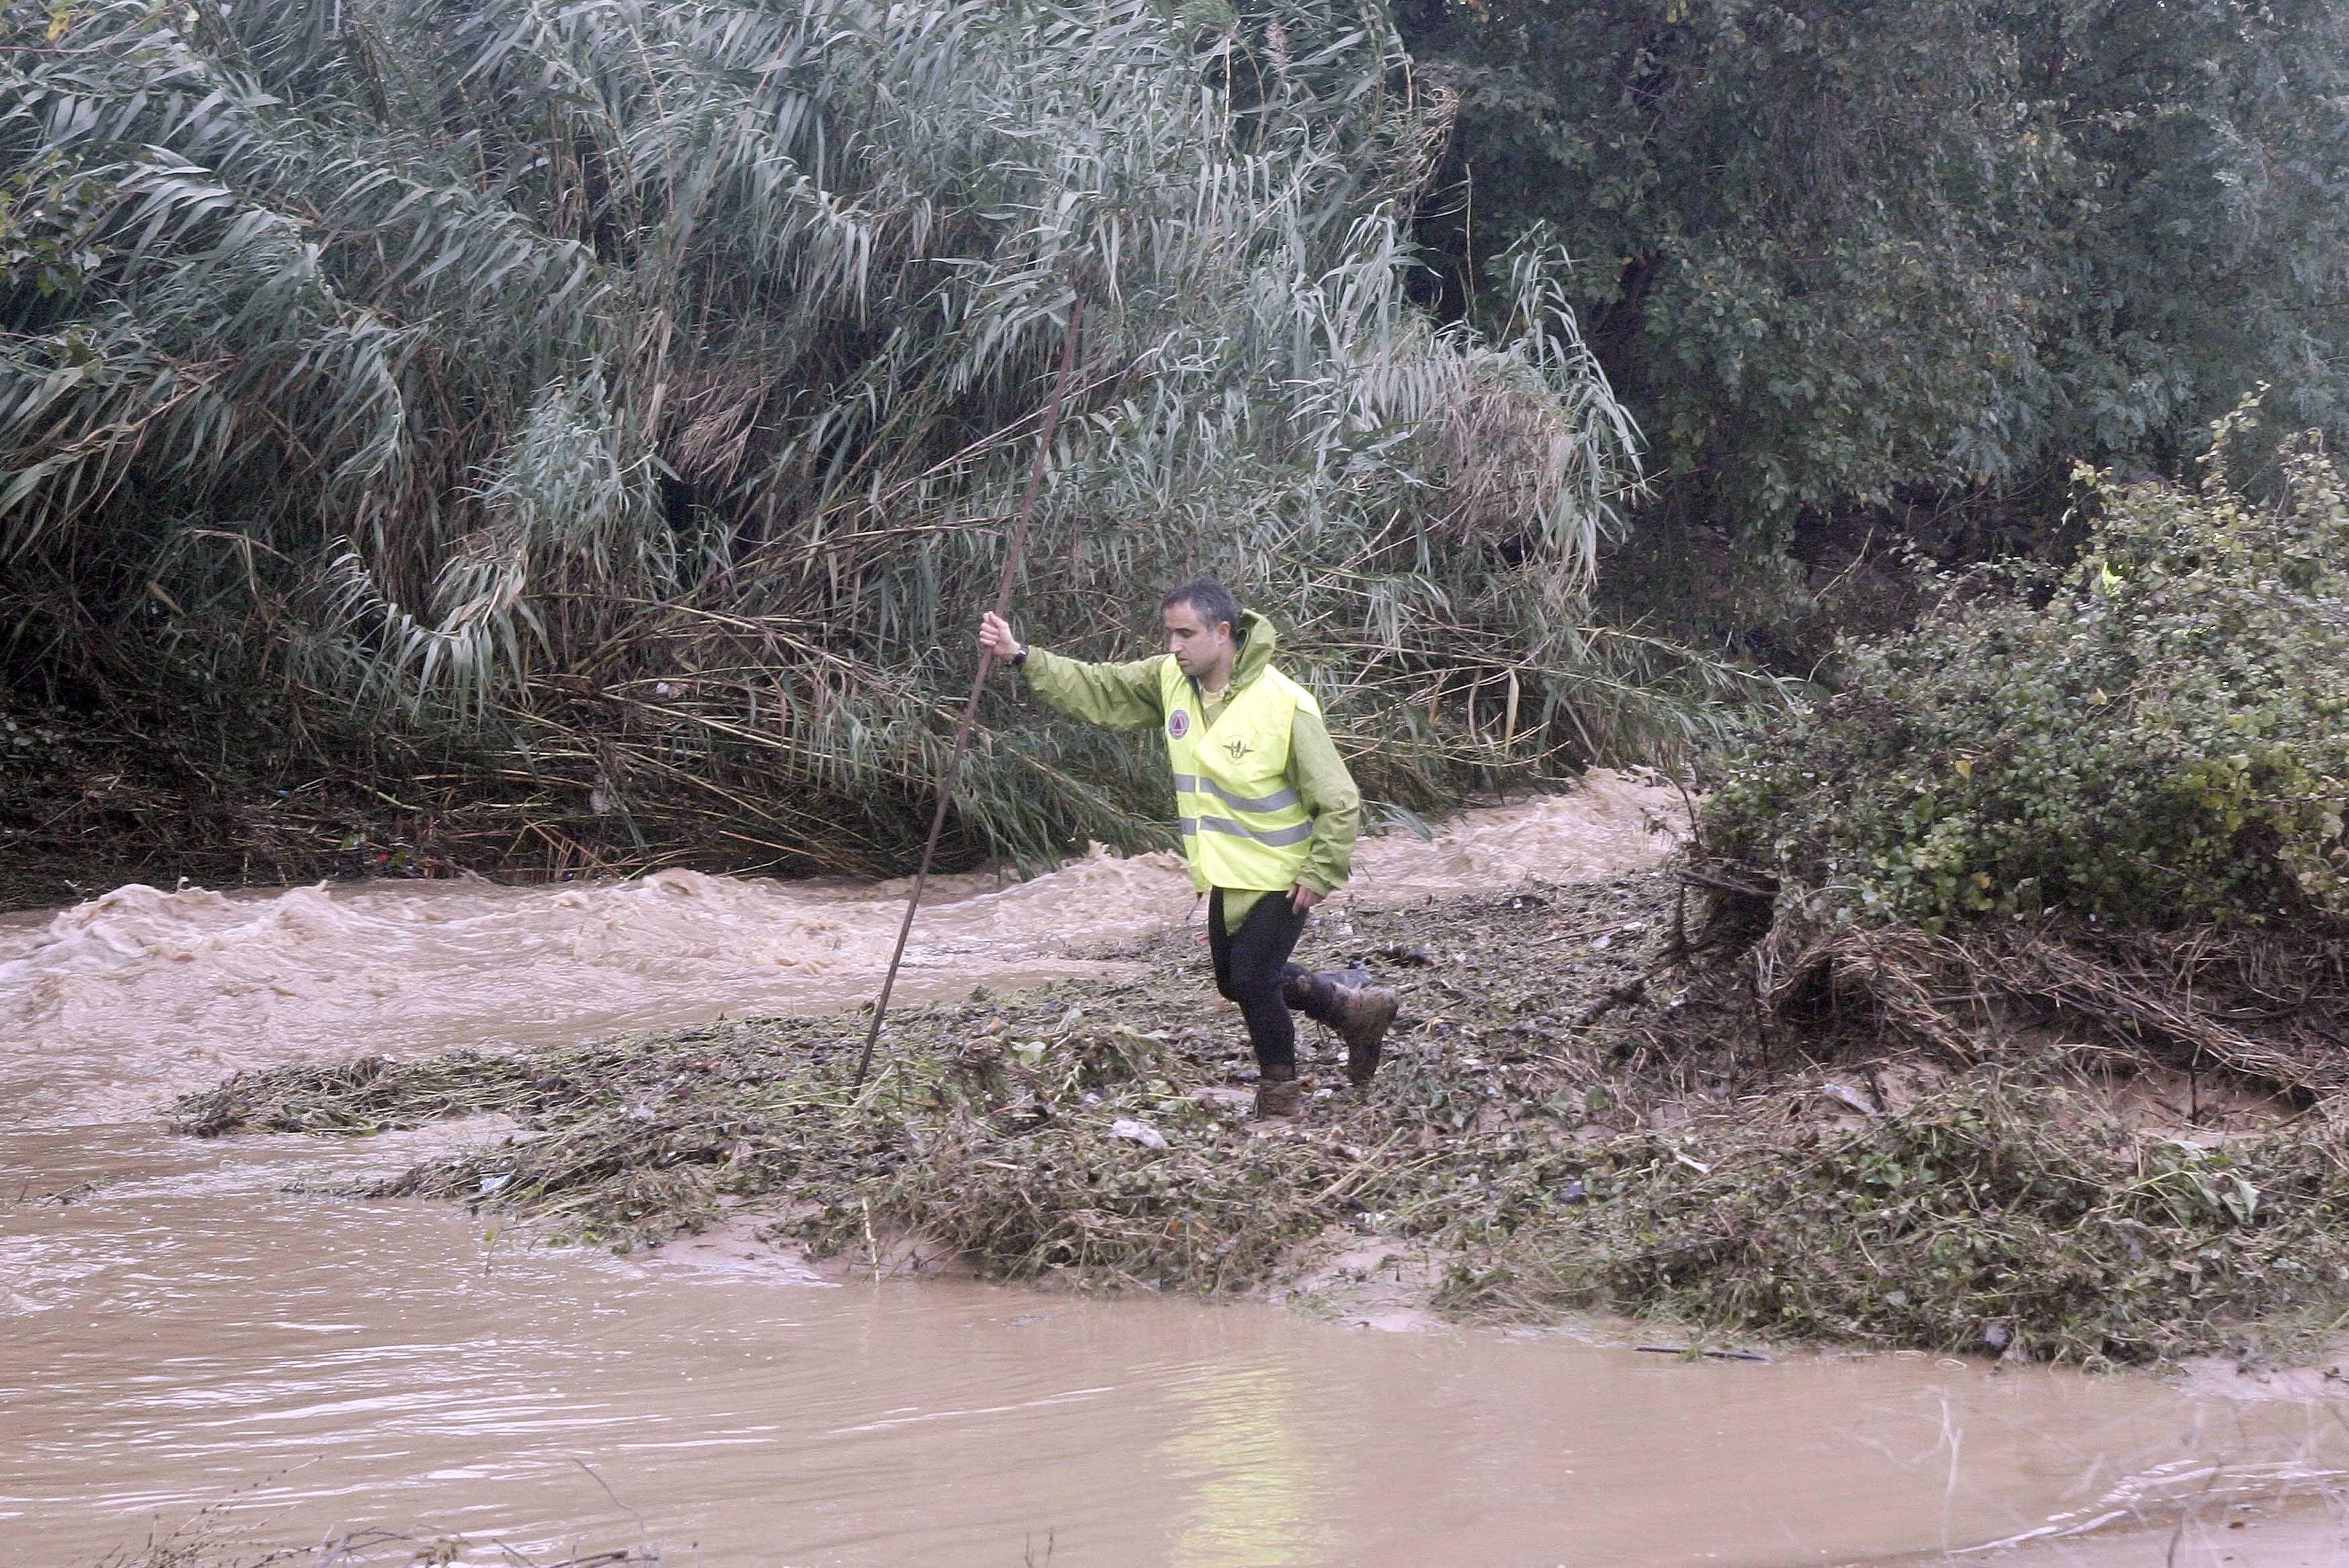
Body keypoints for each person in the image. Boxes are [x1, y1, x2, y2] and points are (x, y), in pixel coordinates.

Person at [979, 578, 1399, 1119]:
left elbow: (1340, 798)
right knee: (1235, 981)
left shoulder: (1284, 703)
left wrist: (1321, 871)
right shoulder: (1170, 681)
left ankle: (1281, 1100)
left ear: (1223, 633)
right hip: (1226, 869)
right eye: (1169, 634)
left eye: (1186, 634)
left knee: (1252, 980)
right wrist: (1020, 656)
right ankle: (1353, 1009)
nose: (1174, 646)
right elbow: (1098, 687)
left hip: (1285, 872)